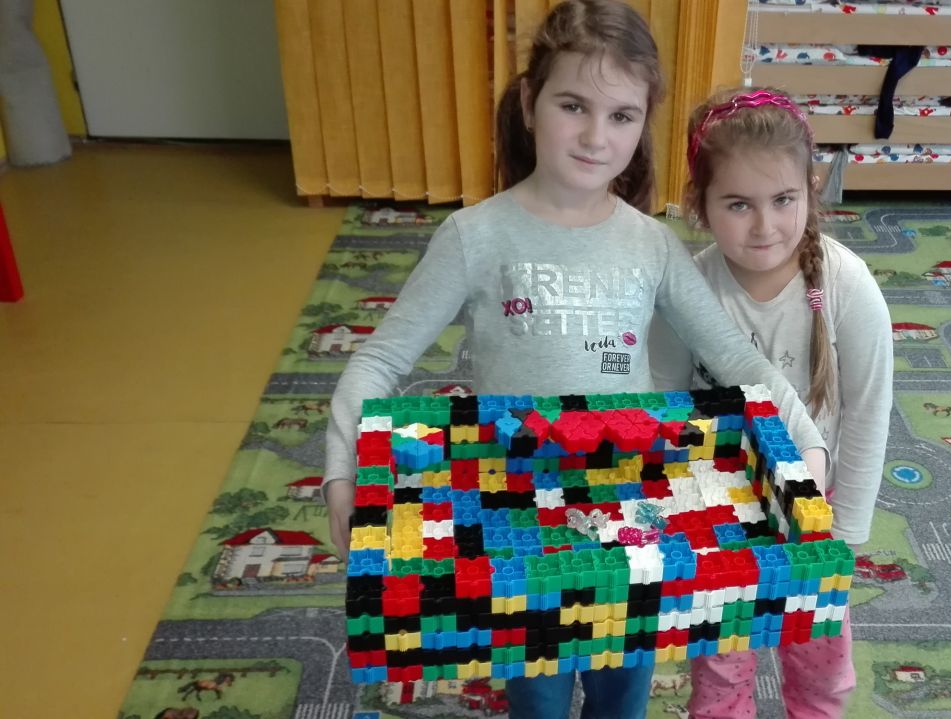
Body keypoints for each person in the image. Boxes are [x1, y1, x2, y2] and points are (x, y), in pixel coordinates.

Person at [322, 3, 828, 717]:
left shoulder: (651, 244)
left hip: (631, 519)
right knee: (538, 696)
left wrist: (806, 440)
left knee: (624, 694)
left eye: (622, 116)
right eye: (573, 106)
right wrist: (342, 472)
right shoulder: (474, 236)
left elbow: (735, 358)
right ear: (531, 101)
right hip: (517, 522)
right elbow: (378, 361)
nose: (596, 136)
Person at [650, 87, 894, 719]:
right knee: (720, 664)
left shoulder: (845, 284)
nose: (764, 226)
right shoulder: (689, 288)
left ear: (810, 192)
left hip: (816, 511)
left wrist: (846, 530)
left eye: (783, 199)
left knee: (819, 660)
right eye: (738, 204)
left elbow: (868, 411)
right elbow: (664, 407)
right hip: (719, 510)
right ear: (700, 204)